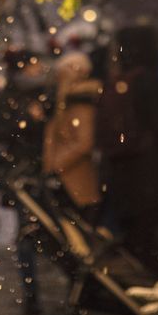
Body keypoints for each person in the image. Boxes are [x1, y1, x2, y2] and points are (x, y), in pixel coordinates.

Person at [96, 26, 158, 274]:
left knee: (135, 239)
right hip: (150, 174)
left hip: (123, 174)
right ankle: (153, 296)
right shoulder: (147, 80)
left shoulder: (119, 81)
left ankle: (138, 294)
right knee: (152, 241)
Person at [0, 50, 51, 315]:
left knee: (55, 234)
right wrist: (26, 122)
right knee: (26, 234)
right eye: (33, 65)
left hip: (49, 172)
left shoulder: (48, 92)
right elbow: (0, 132)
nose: (38, 68)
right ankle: (32, 296)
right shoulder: (10, 96)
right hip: (24, 174)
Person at [41, 51, 101, 222]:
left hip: (75, 178)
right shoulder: (67, 99)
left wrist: (57, 165)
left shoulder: (79, 101)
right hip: (69, 177)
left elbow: (84, 142)